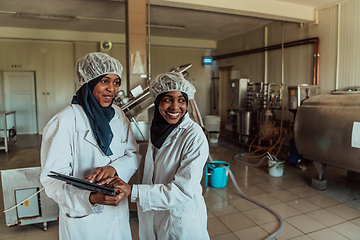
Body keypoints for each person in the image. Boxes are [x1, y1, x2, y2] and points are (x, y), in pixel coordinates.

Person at [40, 52, 141, 240]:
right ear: (90, 82)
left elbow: (133, 154)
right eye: (105, 81)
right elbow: (53, 181)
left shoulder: (118, 116)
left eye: (116, 82)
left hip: (117, 215)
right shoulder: (65, 121)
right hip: (84, 219)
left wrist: (114, 169)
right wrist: (91, 198)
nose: (112, 88)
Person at [102, 72, 210, 239]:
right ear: (157, 101)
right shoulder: (159, 128)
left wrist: (133, 191)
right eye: (168, 99)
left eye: (181, 100)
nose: (175, 107)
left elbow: (182, 190)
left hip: (180, 222)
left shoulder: (194, 136)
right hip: (156, 216)